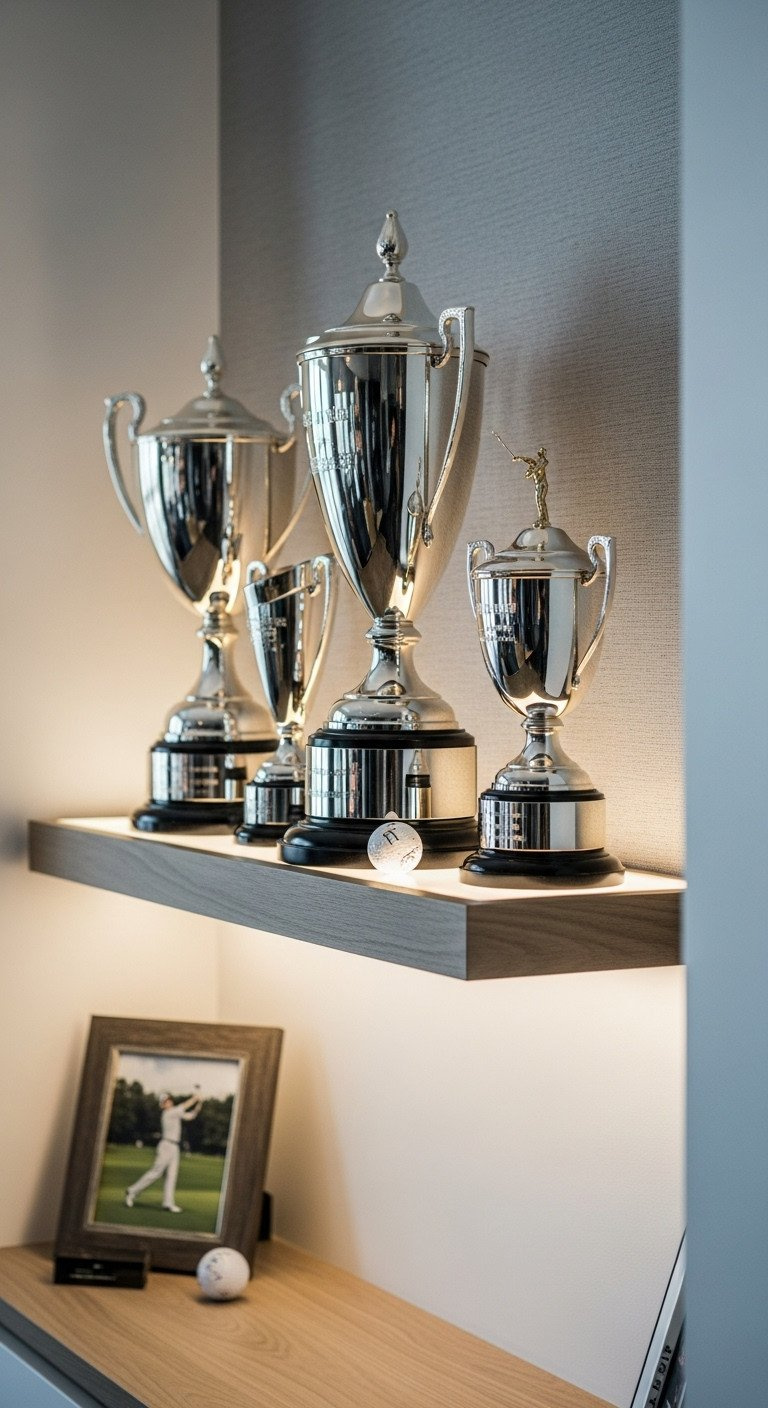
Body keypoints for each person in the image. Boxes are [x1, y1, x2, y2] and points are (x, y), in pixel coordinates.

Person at [124, 1086, 203, 1213]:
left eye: (169, 1100)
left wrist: (199, 1105)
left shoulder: (175, 1113)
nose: (169, 1102)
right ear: (162, 1105)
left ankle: (168, 1203)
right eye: (166, 1101)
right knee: (156, 1172)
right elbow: (184, 1106)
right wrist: (195, 1098)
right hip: (166, 1146)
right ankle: (132, 1191)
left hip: (175, 1147)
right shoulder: (168, 1114)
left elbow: (190, 1116)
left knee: (172, 1176)